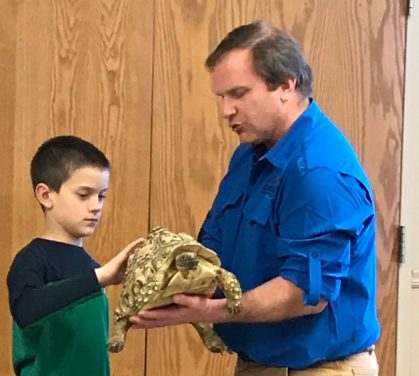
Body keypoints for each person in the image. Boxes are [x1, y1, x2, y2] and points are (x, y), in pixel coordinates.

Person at [130, 21, 380, 375]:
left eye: (238, 94)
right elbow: (214, 248)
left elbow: (305, 294)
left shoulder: (318, 172)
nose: (225, 111)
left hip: (321, 367)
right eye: (221, 97)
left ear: (285, 85)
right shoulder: (251, 153)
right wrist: (160, 276)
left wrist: (212, 311)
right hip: (259, 362)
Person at [7, 135, 142, 376]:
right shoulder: (32, 260)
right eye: (83, 195)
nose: (96, 206)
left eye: (101, 196)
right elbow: (25, 310)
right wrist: (98, 278)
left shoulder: (92, 267)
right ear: (45, 195)